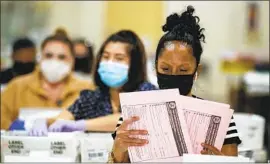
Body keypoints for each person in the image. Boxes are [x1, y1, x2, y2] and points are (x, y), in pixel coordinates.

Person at [109, 6, 242, 162]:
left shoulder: (222, 121)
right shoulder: (131, 115)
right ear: (155, 67)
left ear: (196, 70)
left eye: (183, 69)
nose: (173, 75)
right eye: (165, 68)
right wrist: (117, 151)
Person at [28, 30, 157, 136]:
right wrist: (45, 122)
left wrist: (80, 125)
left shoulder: (147, 92)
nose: (110, 63)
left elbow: (130, 119)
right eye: (106, 57)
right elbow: (66, 117)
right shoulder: (92, 97)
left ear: (134, 65)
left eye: (119, 58)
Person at [1, 30, 94, 130]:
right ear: (40, 58)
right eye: (49, 56)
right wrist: (12, 128)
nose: (54, 61)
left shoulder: (86, 89)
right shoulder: (17, 86)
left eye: (62, 57)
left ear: (72, 61)